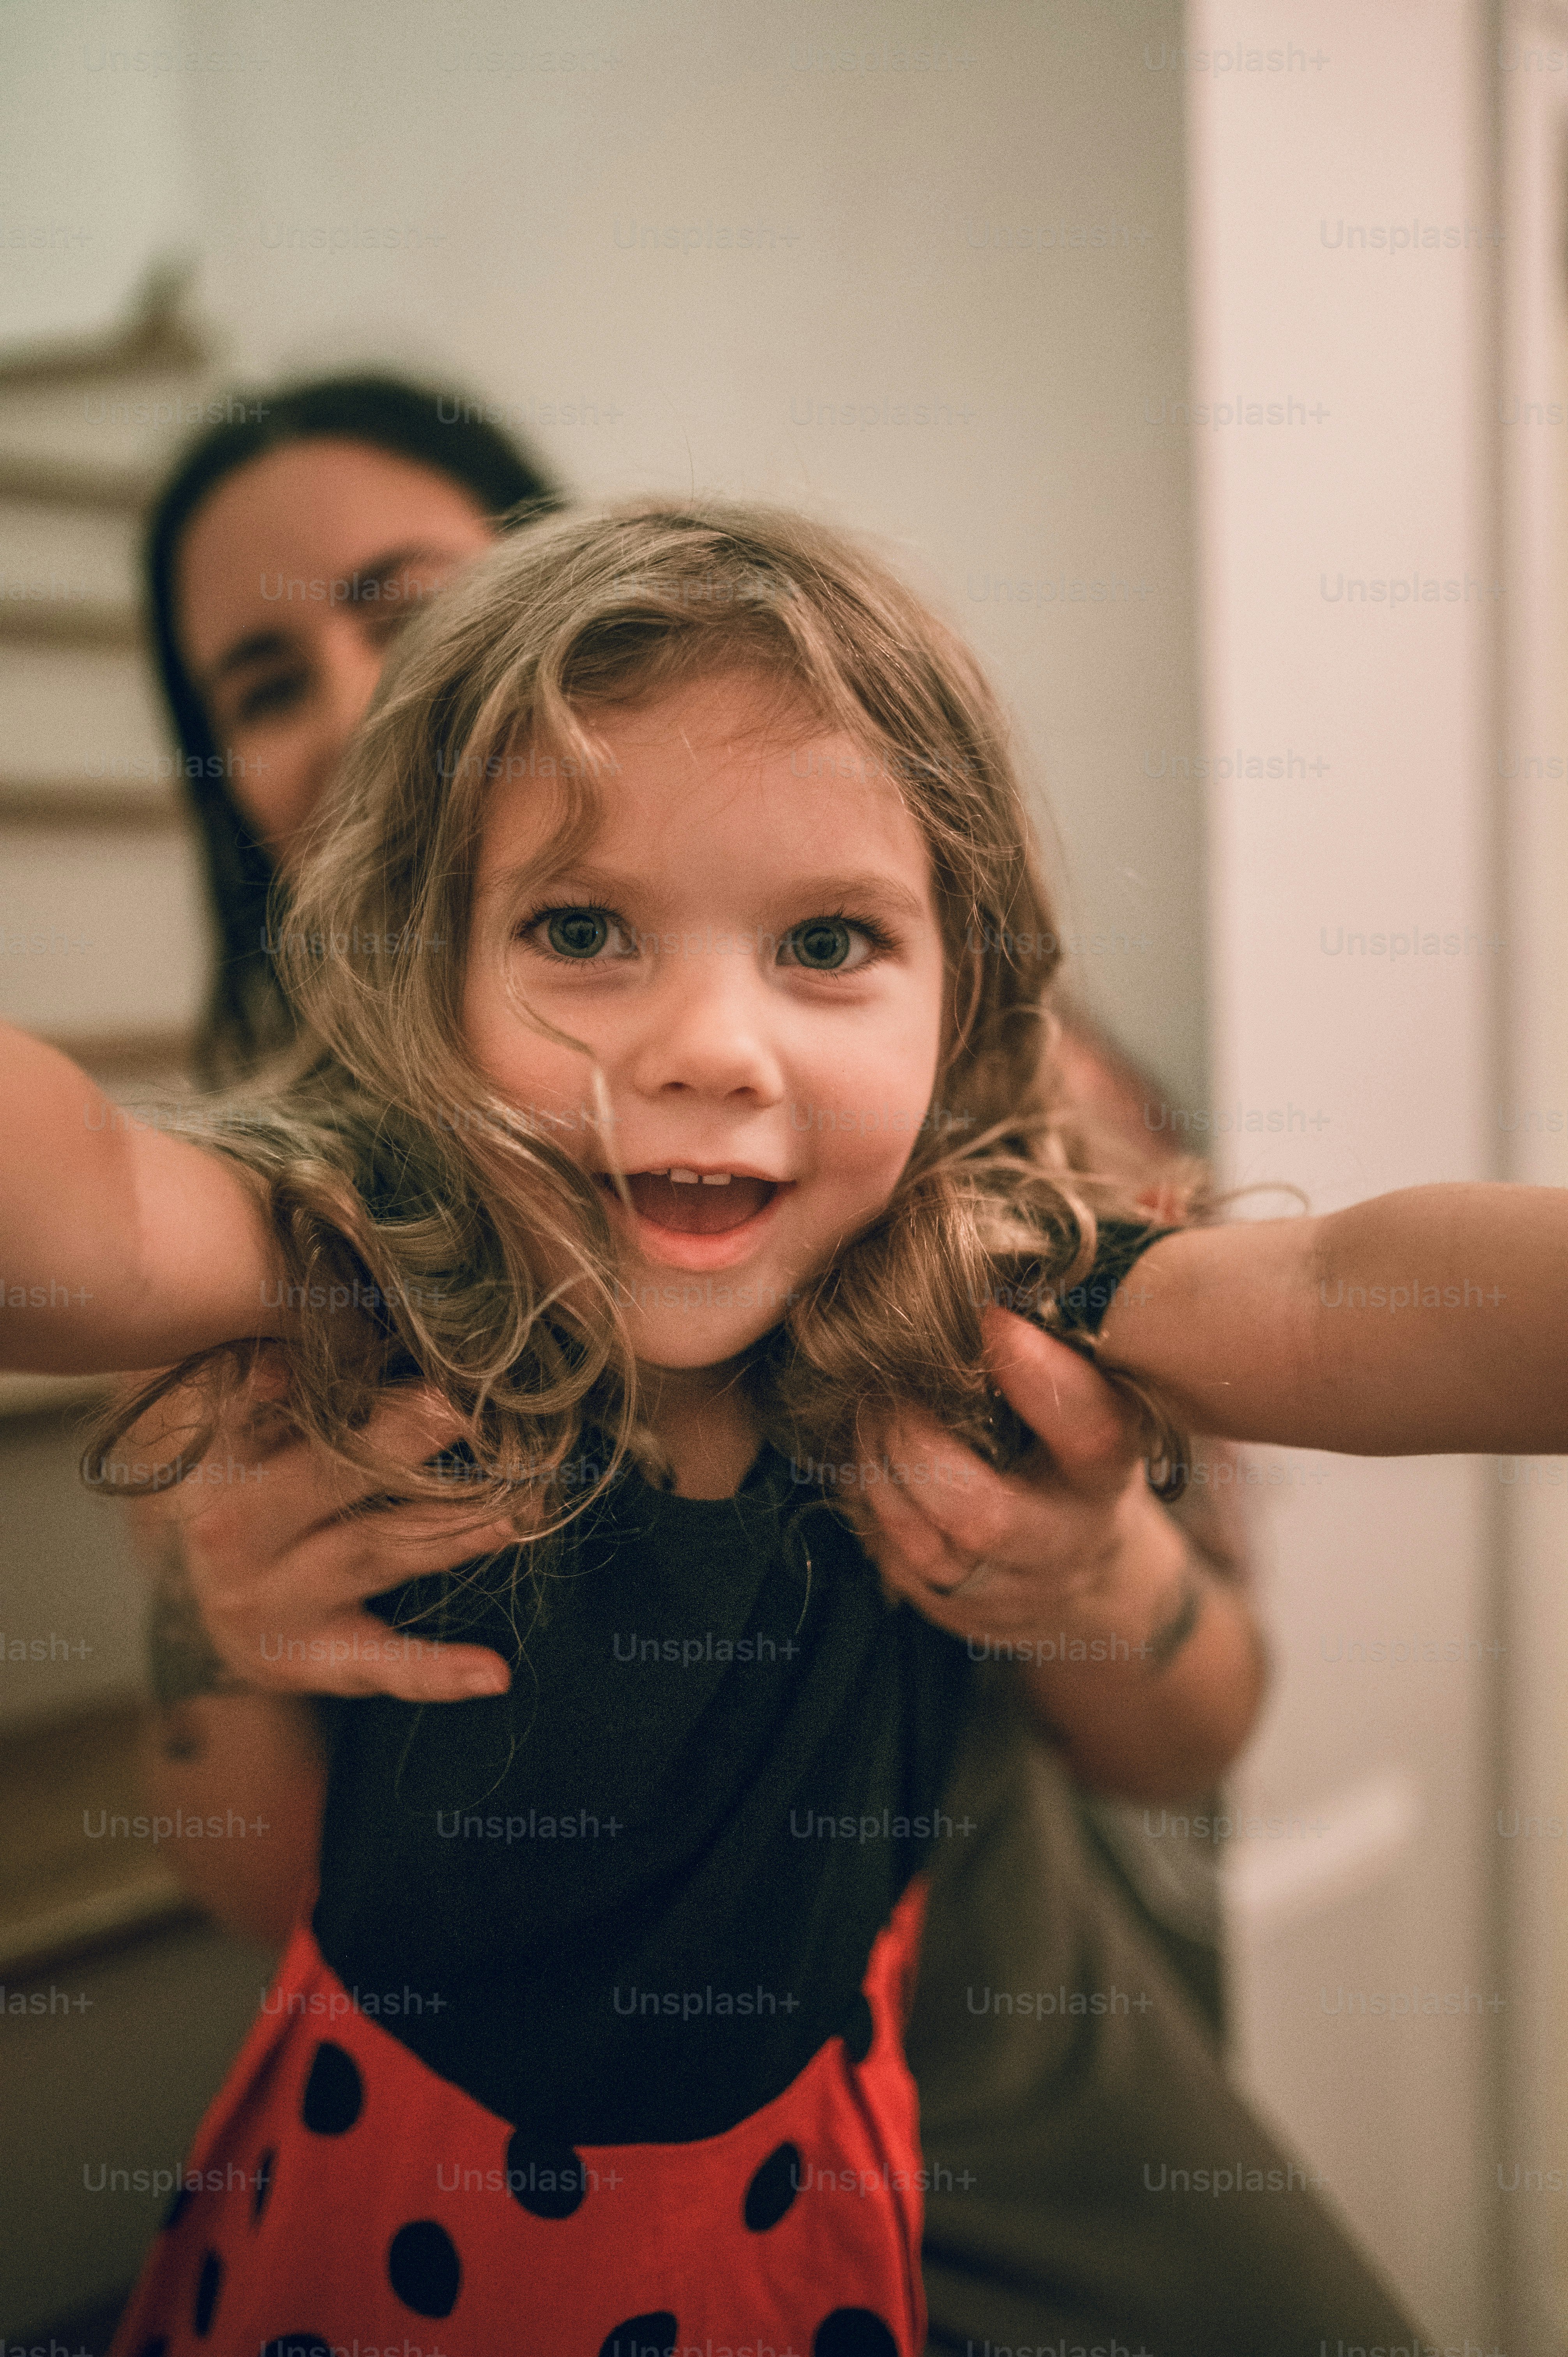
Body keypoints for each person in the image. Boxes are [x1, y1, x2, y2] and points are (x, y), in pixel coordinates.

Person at [6, 504, 1559, 2351]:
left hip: (840, 2186)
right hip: (392, 2208)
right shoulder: (369, 1257)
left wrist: (1097, 1569)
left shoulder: (975, 1268)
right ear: (428, 964)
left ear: (965, 995)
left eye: (825, 942)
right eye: (582, 931)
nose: (709, 1047)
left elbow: (1324, 1297)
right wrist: (211, 1620)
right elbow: (90, 1217)